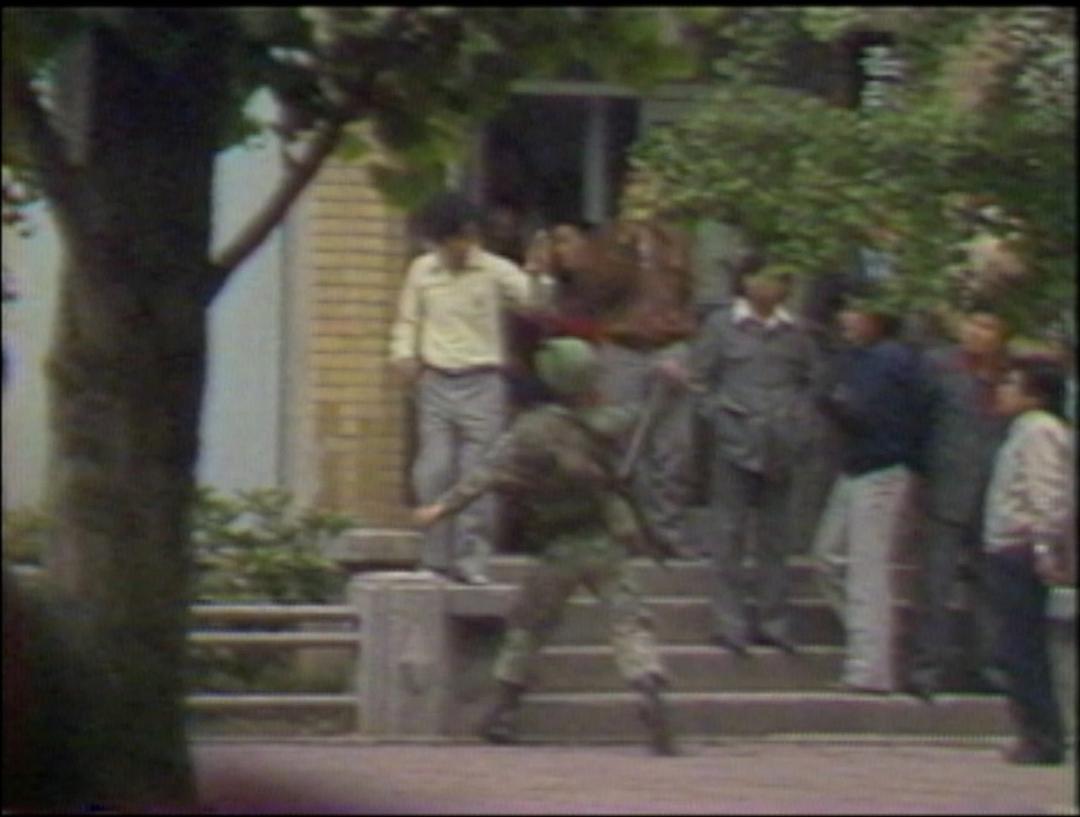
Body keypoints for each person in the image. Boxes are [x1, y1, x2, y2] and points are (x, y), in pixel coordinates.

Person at [412, 337, 681, 756]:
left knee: (527, 629)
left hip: (556, 548)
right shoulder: (606, 422)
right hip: (604, 541)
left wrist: (440, 509)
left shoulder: (531, 431)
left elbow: (484, 476)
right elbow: (645, 413)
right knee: (629, 622)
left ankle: (502, 711)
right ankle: (646, 680)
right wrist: (663, 389)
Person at [389, 192, 545, 585]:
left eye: (460, 239)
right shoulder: (422, 271)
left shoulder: (494, 270)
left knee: (479, 474)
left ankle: (472, 560)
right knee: (434, 470)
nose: (454, 248)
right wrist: (403, 355)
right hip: (436, 379)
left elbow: (535, 304)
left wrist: (538, 275)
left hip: (483, 380)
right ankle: (434, 558)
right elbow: (408, 320)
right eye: (445, 242)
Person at [686, 261, 824, 656]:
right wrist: (720, 416)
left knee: (775, 536)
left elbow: (813, 381)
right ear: (746, 281)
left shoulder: (797, 332)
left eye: (781, 278)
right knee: (728, 532)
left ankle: (773, 620)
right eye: (765, 276)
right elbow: (699, 380)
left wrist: (799, 419)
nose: (772, 285)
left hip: (782, 442)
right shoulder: (721, 326)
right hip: (734, 439)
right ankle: (729, 623)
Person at [812, 301, 930, 693]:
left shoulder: (888, 359)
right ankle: (875, 643)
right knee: (827, 557)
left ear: (877, 319)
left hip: (882, 468)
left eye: (855, 312)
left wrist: (829, 401)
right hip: (858, 467)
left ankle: (870, 669)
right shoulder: (862, 356)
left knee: (867, 569)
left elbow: (863, 412)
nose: (845, 318)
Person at [906, 311, 1011, 699]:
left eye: (988, 326)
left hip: (995, 496)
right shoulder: (938, 367)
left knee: (990, 586)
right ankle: (926, 667)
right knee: (935, 583)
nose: (978, 332)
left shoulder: (1007, 376)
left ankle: (986, 665)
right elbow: (916, 424)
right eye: (973, 323)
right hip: (945, 489)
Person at [982, 356, 1073, 765]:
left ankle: (1042, 735)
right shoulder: (1020, 430)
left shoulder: (1040, 431)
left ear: (1035, 394)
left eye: (1012, 384)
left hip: (1021, 549)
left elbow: (1047, 493)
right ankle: (1032, 730)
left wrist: (1043, 546)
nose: (1003, 390)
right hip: (1006, 547)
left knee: (1025, 647)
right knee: (1015, 645)